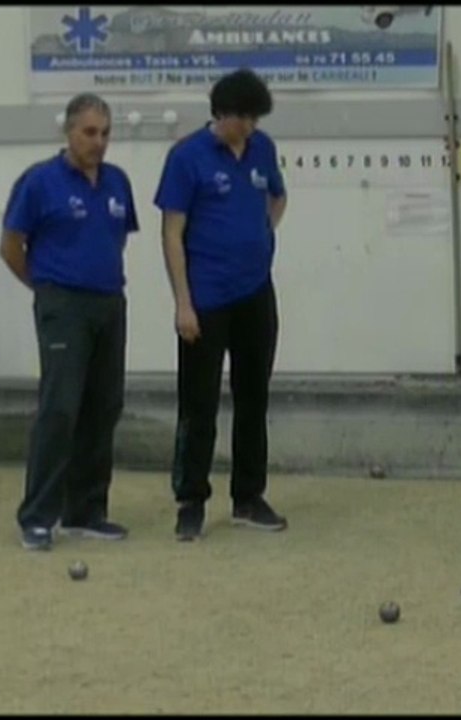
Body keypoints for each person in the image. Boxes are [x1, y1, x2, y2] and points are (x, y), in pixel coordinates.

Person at [0, 93, 140, 551]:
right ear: (69, 131)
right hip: (63, 305)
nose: (98, 142)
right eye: (89, 133)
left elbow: (114, 241)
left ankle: (86, 511)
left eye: (105, 133)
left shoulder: (118, 182)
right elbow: (11, 247)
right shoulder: (40, 182)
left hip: (109, 304)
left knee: (104, 407)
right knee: (60, 409)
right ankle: (38, 516)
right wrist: (47, 289)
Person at [154, 68, 289, 541]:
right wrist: (182, 303)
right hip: (206, 300)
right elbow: (172, 233)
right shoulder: (187, 157)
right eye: (243, 119)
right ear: (221, 113)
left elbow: (278, 197)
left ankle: (248, 497)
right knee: (199, 405)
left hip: (256, 293)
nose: (249, 128)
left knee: (254, 398)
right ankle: (191, 501)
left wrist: (261, 234)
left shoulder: (262, 149)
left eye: (255, 119)